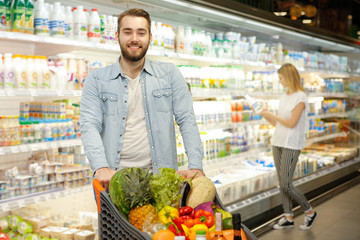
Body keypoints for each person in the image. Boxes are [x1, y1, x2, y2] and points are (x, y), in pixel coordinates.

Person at [80, 8, 204, 191]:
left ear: (150, 37)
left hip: (161, 181)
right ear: (117, 36)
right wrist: (101, 167)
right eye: (127, 32)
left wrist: (196, 166)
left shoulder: (169, 74)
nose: (134, 39)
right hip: (114, 181)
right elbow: (89, 125)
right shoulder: (97, 79)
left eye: (141, 32)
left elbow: (187, 120)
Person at [260, 63, 318, 231]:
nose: (280, 81)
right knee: (281, 183)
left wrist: (273, 115)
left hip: (291, 144)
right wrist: (265, 114)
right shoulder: (284, 96)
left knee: (286, 183)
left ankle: (309, 211)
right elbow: (277, 123)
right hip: (277, 141)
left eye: (281, 78)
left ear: (289, 77)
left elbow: (292, 123)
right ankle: (288, 217)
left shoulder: (300, 97)